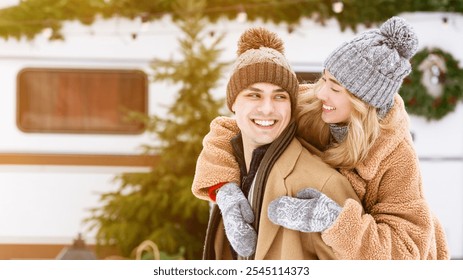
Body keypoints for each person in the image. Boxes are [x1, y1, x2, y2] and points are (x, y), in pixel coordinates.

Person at [192, 17, 449, 259]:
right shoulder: (313, 103)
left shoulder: (394, 155)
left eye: (335, 88)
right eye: (324, 77)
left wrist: (334, 221)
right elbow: (230, 130)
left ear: (363, 103)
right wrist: (225, 191)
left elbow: (406, 251)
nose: (321, 91)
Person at [192, 27, 360, 260]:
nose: (268, 108)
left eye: (280, 96)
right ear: (233, 104)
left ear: (292, 107)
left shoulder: (323, 183)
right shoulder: (228, 177)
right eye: (254, 94)